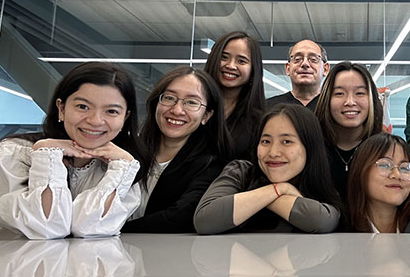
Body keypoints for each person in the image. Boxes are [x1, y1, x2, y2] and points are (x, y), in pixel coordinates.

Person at [0, 62, 145, 239]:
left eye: (111, 111)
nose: (95, 120)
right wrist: (47, 154)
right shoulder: (10, 154)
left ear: (125, 117)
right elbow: (46, 227)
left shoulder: (120, 169)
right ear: (61, 109)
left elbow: (90, 228)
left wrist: (123, 166)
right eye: (83, 107)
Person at [194, 104, 343, 234]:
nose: (273, 153)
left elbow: (320, 221)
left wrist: (262, 197)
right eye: (265, 141)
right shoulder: (240, 172)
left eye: (286, 141)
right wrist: (279, 189)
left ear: (310, 148)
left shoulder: (320, 187)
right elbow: (205, 220)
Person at [122, 66, 232, 233]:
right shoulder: (128, 152)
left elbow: (180, 217)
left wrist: (115, 230)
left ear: (206, 116)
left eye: (192, 102)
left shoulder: (211, 165)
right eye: (169, 98)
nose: (177, 110)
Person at [314, 61, 383, 200]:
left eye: (360, 93)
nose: (350, 101)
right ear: (327, 99)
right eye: (339, 93)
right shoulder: (311, 150)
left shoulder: (384, 150)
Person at [204, 31, 266, 160]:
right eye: (224, 57)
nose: (231, 66)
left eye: (241, 61)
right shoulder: (192, 104)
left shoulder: (259, 121)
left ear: (253, 70)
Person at [347, 133, 410, 233]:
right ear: (361, 170)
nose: (397, 175)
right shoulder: (340, 230)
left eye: (404, 168)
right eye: (385, 165)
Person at [266, 39, 329, 111]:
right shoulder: (268, 108)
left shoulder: (334, 108)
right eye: (297, 59)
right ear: (288, 68)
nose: (305, 64)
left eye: (313, 59)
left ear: (325, 69)